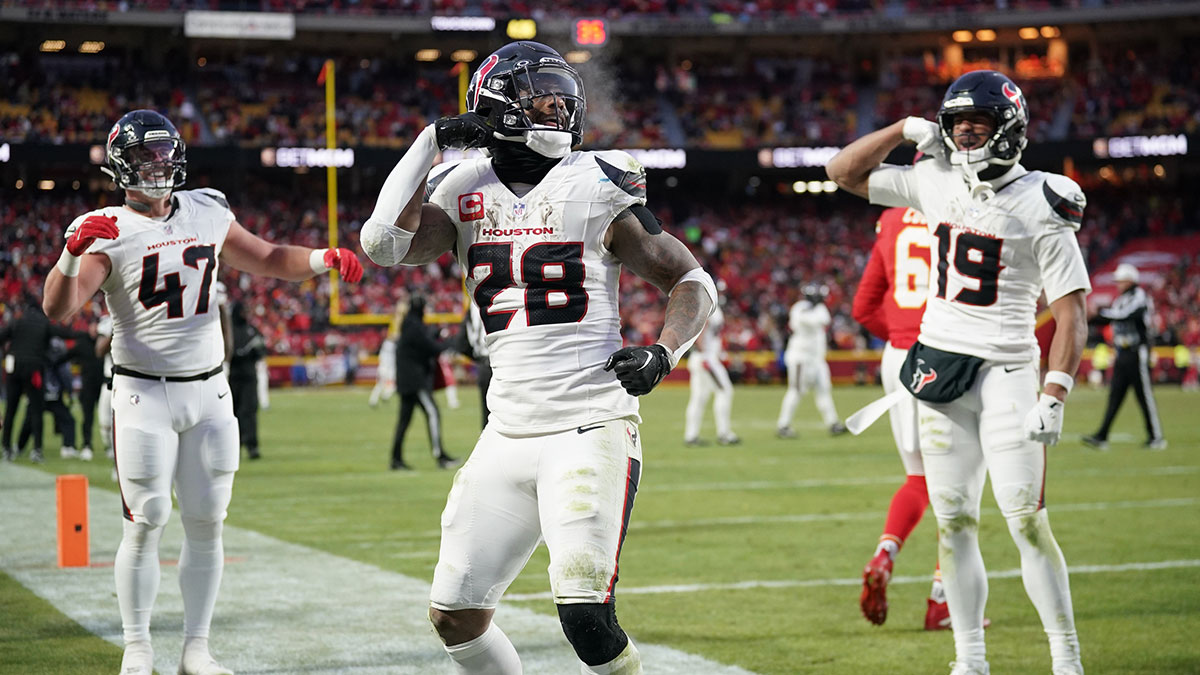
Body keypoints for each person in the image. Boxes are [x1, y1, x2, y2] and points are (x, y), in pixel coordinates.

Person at [360, 40, 716, 675]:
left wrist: (664, 354)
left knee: (585, 617)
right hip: (507, 429)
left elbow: (692, 282)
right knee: (455, 616)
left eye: (563, 94)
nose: (559, 106)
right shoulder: (460, 185)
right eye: (540, 95)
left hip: (588, 423)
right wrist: (429, 141)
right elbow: (384, 245)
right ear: (497, 102)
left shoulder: (597, 180)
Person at [41, 109, 363, 675]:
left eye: (164, 153)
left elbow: (265, 257)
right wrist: (70, 254)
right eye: (145, 157)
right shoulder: (106, 227)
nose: (159, 165)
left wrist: (321, 259)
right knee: (146, 518)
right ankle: (137, 646)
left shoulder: (207, 209)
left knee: (208, 520)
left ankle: (196, 648)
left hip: (210, 390)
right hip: (144, 392)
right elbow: (59, 308)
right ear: (122, 165)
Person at [827, 70, 1089, 675]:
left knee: (1026, 520)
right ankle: (969, 661)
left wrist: (1056, 391)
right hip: (939, 373)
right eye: (957, 121)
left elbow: (1073, 311)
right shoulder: (934, 181)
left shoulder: (1044, 199)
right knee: (955, 523)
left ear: (1011, 129)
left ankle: (1066, 660)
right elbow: (840, 172)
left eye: (980, 120)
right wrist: (900, 127)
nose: (967, 131)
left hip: (1009, 373)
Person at [851, 205, 964, 630]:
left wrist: (902, 339)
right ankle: (942, 599)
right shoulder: (960, 207)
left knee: (917, 476)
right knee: (959, 486)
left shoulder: (894, 218)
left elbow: (863, 308)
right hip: (946, 355)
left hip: (898, 358)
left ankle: (885, 554)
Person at [1082, 263, 1166, 450]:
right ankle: (1102, 436)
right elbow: (1114, 316)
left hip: (1137, 353)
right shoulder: (1121, 299)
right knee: (1115, 396)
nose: (1118, 284)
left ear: (1130, 280)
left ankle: (1156, 437)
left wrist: (1098, 314)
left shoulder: (1139, 297)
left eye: (1121, 280)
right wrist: (1091, 317)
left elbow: (1124, 315)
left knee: (1144, 396)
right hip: (1122, 353)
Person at [1, 299, 88, 463]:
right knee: (36, 411)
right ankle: (37, 450)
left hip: (15, 367)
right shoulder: (43, 323)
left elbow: (1, 336)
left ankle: (6, 448)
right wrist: (84, 334)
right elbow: (65, 333)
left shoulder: (17, 321)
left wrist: (7, 355)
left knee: (11, 410)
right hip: (34, 370)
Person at [390, 295, 458, 471]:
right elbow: (431, 347)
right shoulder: (414, 326)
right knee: (433, 413)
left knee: (404, 421)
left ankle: (395, 459)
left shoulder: (409, 324)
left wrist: (436, 334)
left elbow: (423, 339)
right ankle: (440, 456)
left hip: (405, 381)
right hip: (415, 382)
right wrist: (451, 342)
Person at [776, 283, 849, 438]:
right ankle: (783, 425)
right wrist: (815, 310)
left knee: (824, 391)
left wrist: (817, 310)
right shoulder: (800, 307)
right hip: (800, 358)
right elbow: (808, 321)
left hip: (817, 359)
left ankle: (833, 423)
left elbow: (824, 320)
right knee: (796, 391)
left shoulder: (819, 309)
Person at [684, 302, 739, 446]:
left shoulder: (707, 305)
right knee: (724, 391)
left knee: (699, 398)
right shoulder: (708, 306)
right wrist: (703, 351)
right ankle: (724, 434)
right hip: (705, 358)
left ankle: (691, 436)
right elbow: (700, 329)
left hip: (702, 357)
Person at [61, 314, 108, 461]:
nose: (94, 329)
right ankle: (87, 445)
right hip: (88, 386)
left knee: (106, 419)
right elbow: (67, 356)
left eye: (96, 325)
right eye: (92, 325)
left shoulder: (106, 343)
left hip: (104, 385)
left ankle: (110, 447)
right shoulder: (82, 343)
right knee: (87, 418)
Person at [228, 302, 267, 460]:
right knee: (233, 413)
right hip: (233, 376)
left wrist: (254, 351)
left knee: (249, 412)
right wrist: (238, 354)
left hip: (249, 377)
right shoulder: (229, 329)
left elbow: (262, 351)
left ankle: (252, 446)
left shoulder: (252, 330)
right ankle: (234, 446)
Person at [368, 311, 399, 408]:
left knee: (380, 385)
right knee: (394, 384)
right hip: (388, 368)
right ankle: (385, 396)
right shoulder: (390, 345)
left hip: (383, 367)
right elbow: (395, 339)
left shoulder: (386, 344)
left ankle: (373, 400)